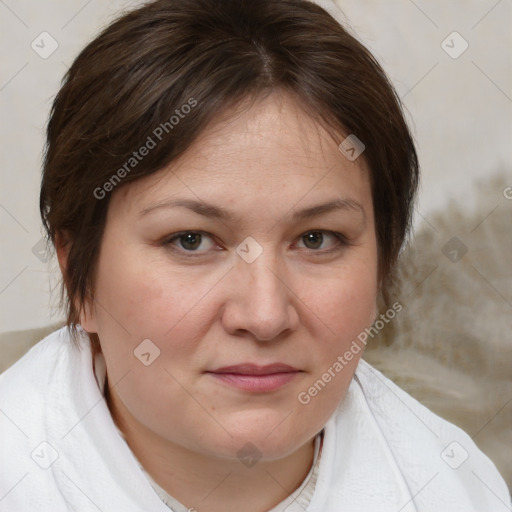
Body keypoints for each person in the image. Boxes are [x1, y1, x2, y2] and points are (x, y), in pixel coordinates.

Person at [0, 0, 509, 510]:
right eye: (191, 240)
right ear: (77, 278)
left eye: (317, 239)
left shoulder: (457, 489)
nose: (265, 316)